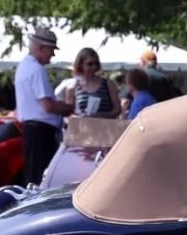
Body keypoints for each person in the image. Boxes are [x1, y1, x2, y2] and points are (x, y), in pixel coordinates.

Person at [15, 27, 73, 186]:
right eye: (51, 50)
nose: (52, 55)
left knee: (34, 176)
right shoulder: (36, 69)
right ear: (40, 48)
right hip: (40, 132)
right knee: (41, 179)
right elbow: (48, 106)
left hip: (34, 129)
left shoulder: (24, 66)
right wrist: (69, 107)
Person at [66, 48, 121, 119]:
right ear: (80, 65)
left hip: (106, 127)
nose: (94, 67)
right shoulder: (73, 87)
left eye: (96, 64)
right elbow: (69, 113)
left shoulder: (108, 84)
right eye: (90, 64)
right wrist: (80, 117)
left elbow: (117, 110)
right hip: (83, 127)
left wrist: (99, 116)